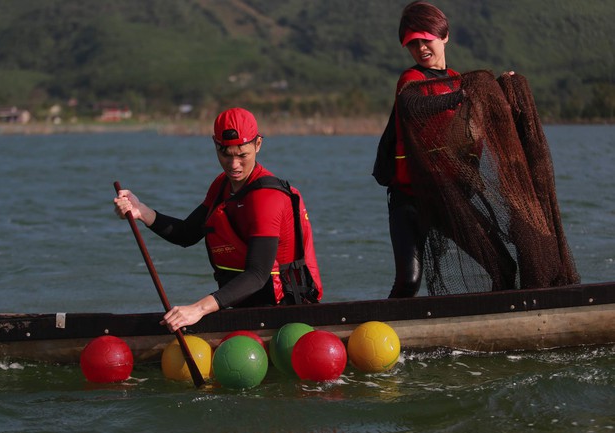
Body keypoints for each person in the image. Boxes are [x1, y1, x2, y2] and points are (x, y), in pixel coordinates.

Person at [114, 107, 322, 331]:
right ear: (215, 145)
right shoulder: (222, 185)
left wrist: (198, 309)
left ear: (258, 145)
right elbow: (186, 233)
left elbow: (259, 274)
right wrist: (141, 211)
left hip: (284, 312)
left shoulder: (267, 198)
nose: (234, 165)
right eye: (226, 154)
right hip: (245, 306)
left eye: (242, 155)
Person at [372, 1, 517, 298]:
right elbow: (413, 106)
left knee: (503, 265)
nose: (421, 48)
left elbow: (486, 119)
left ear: (444, 36)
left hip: (448, 199)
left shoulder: (460, 81)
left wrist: (503, 91)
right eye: (413, 44)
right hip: (409, 201)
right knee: (409, 281)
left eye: (426, 40)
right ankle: (381, 332)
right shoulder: (410, 81)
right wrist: (462, 96)